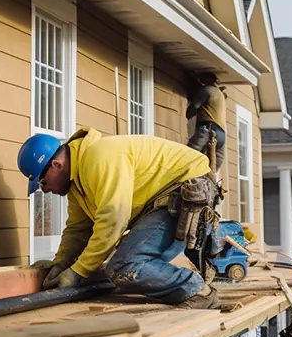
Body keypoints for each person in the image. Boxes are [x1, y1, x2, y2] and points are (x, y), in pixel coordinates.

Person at [17, 127, 222, 309]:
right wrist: (60, 264)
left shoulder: (98, 158)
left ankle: (197, 292)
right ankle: (190, 289)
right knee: (131, 263)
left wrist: (78, 272)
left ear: (56, 165)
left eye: (42, 182)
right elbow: (77, 230)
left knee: (124, 265)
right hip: (164, 199)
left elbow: (113, 220)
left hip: (185, 188)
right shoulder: (76, 185)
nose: (45, 190)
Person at [185, 73, 226, 173]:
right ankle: (208, 179)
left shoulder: (206, 90)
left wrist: (188, 113)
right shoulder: (219, 94)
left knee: (190, 154)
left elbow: (194, 107)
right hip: (221, 134)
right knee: (213, 165)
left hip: (209, 128)